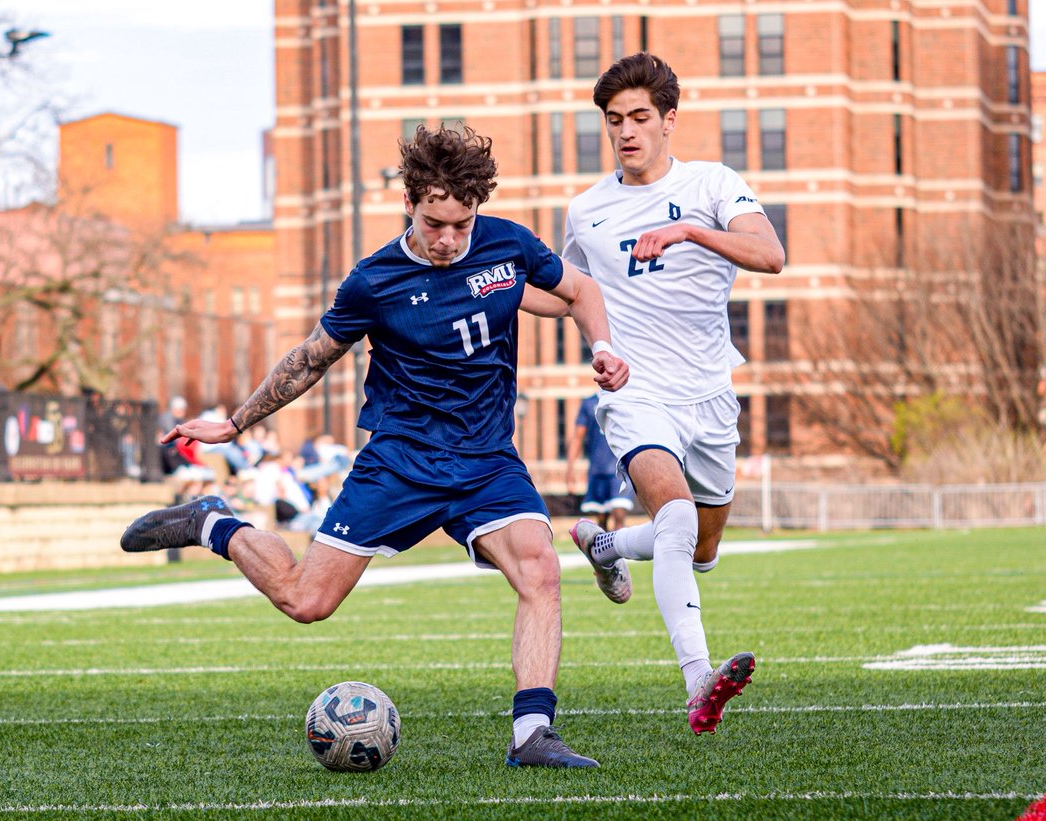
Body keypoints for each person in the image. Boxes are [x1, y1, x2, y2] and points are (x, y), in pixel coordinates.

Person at [121, 125, 628, 768]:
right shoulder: (374, 282)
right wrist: (237, 423)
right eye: (434, 221)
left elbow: (580, 292)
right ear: (410, 204)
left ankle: (531, 734)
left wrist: (603, 347)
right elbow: (308, 361)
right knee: (307, 602)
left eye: (461, 224)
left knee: (540, 568)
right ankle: (212, 524)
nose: (448, 238)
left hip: (486, 458)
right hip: (401, 460)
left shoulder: (508, 245)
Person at [561, 53, 785, 736]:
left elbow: (771, 255)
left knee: (703, 551)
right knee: (679, 520)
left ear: (668, 121)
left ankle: (606, 547)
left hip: (710, 393)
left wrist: (689, 230)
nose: (625, 131)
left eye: (638, 118)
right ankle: (698, 684)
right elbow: (563, 290)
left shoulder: (713, 183)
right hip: (637, 394)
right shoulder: (586, 210)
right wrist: (594, 345)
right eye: (613, 121)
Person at [564, 393, 634, 536]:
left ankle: (619, 557)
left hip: (619, 469)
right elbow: (578, 437)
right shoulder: (589, 403)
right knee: (601, 522)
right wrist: (570, 469)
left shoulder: (626, 398)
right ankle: (607, 557)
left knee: (619, 516)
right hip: (597, 469)